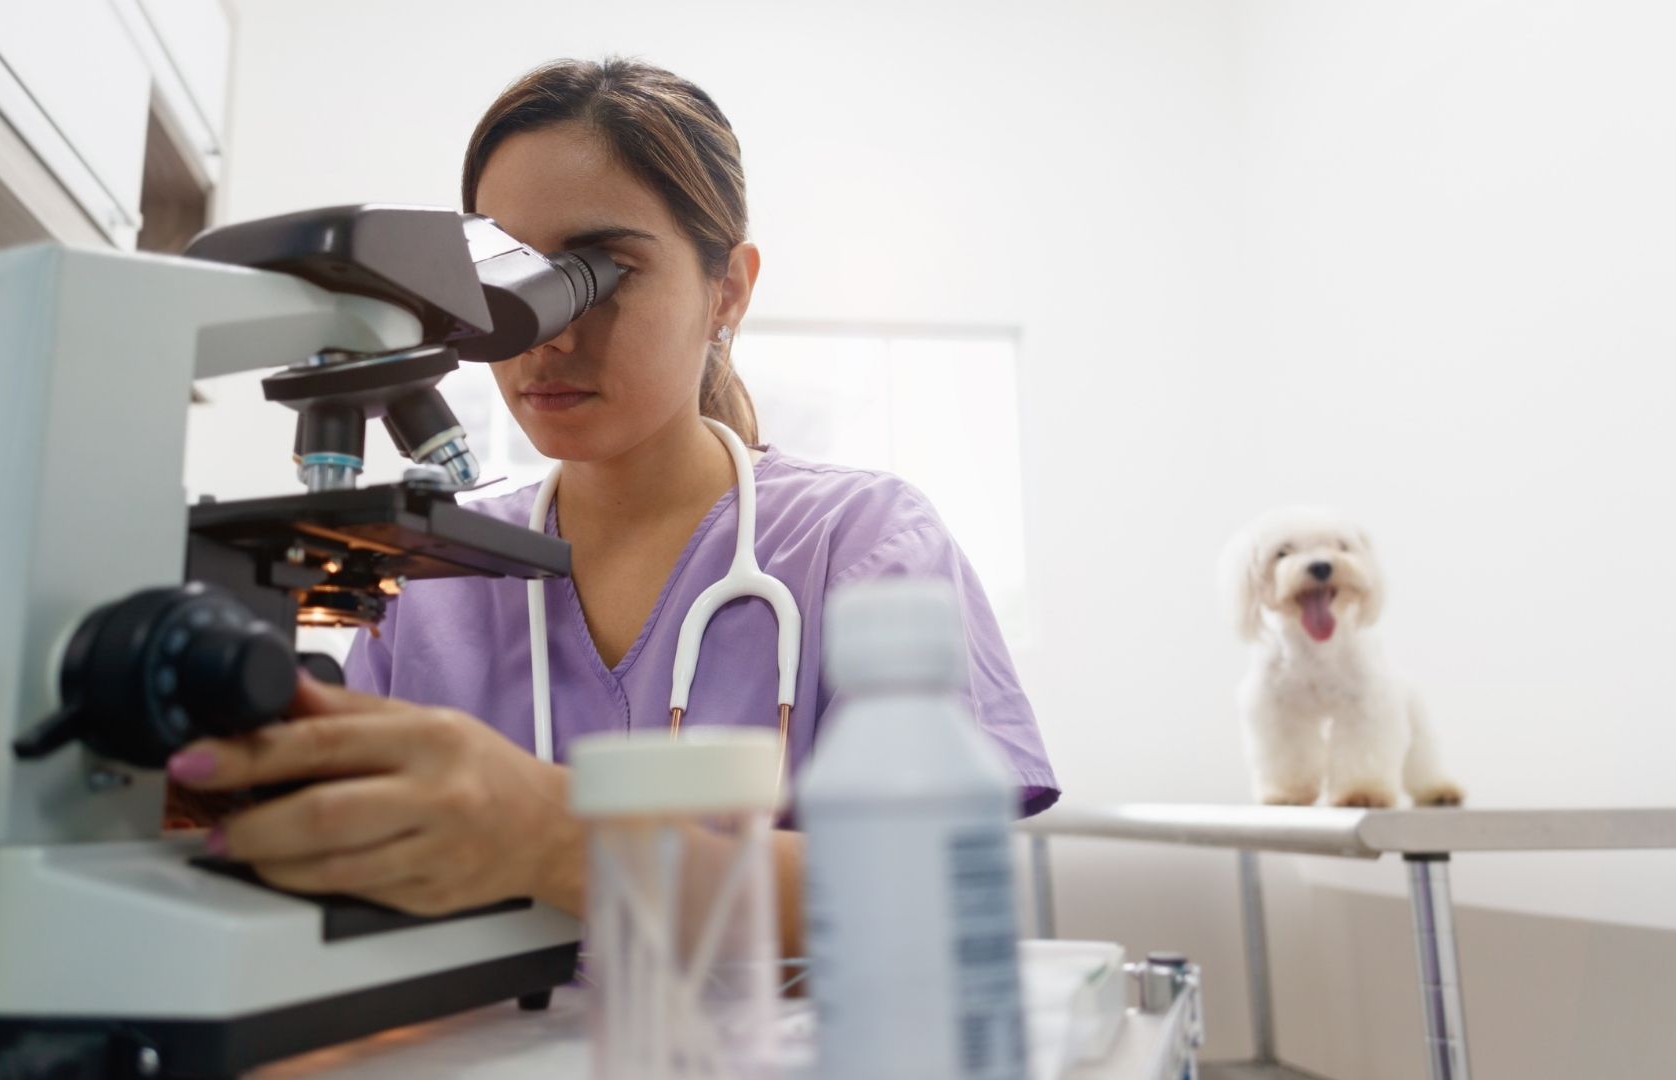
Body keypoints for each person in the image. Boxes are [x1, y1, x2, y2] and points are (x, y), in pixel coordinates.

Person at [167, 57, 1058, 958]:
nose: (546, 332)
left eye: (600, 272)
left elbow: (942, 888)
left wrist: (554, 839)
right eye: (503, 274)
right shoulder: (433, 572)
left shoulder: (862, 542)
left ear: (728, 289)